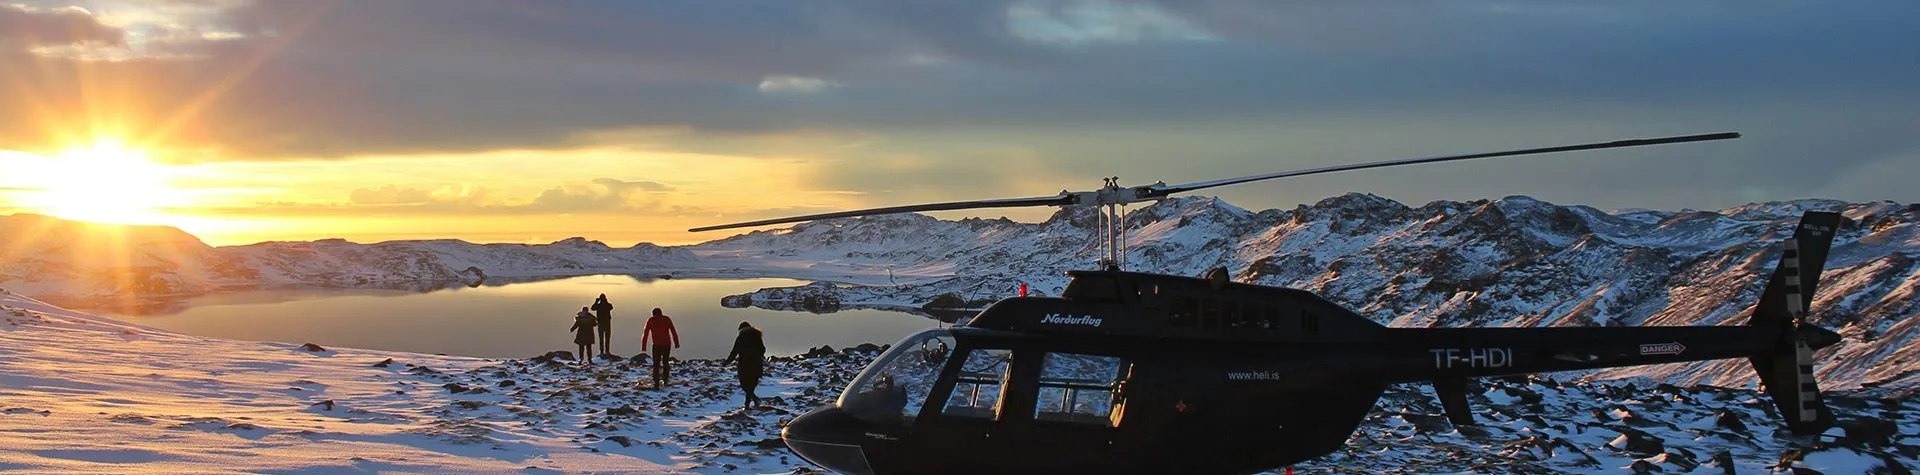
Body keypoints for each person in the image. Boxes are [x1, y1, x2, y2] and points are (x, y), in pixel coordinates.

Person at [720, 321, 767, 408]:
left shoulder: (741, 337)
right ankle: (748, 404)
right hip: (757, 365)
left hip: (744, 365)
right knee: (752, 385)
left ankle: (752, 400)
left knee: (744, 385)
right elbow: (763, 349)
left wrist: (727, 362)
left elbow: (734, 352)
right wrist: (758, 357)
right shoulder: (757, 337)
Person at [640, 307, 680, 388]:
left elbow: (646, 333)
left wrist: (644, 346)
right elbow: (673, 331)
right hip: (666, 344)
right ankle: (665, 381)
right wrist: (676, 342)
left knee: (656, 364)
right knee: (665, 363)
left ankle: (656, 383)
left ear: (653, 314)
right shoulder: (666, 319)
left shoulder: (651, 320)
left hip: (656, 345)